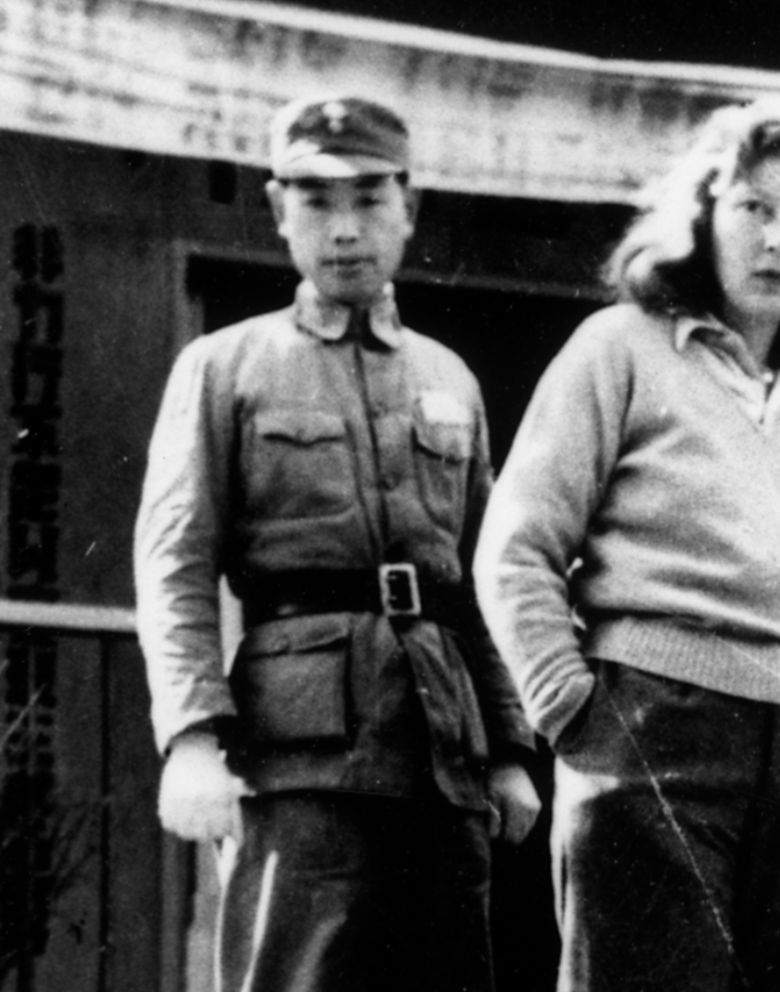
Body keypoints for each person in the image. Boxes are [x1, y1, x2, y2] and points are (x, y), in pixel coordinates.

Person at [473, 97, 780, 992]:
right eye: (754, 208)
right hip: (655, 729)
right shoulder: (620, 347)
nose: (778, 241)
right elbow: (515, 547)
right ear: (704, 214)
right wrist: (575, 715)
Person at [132, 94, 540, 992]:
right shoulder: (225, 366)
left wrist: (510, 749)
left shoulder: (449, 377)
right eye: (317, 202)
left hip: (442, 750)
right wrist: (192, 739)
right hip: (299, 753)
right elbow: (176, 563)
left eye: (369, 199)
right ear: (279, 210)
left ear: (409, 207)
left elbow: (482, 581)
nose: (345, 229)